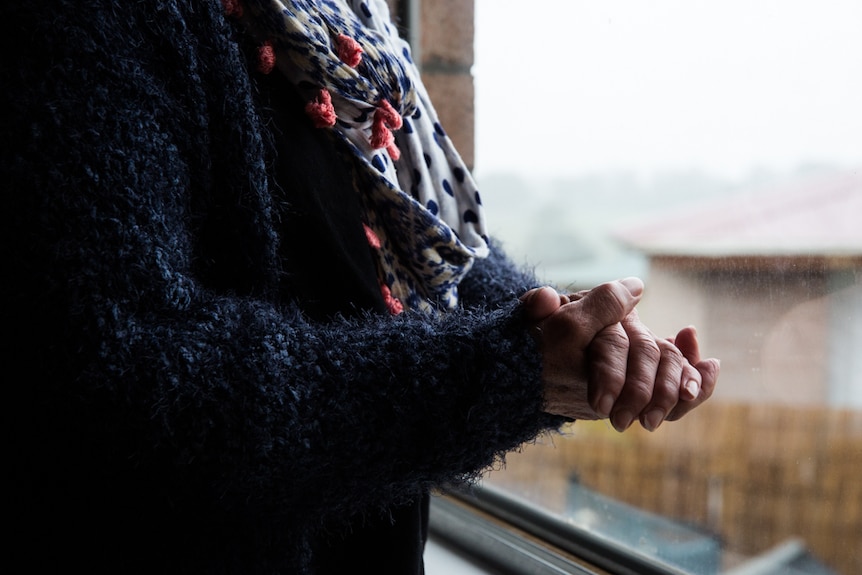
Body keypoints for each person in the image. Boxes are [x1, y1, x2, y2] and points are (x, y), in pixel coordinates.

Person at [1, 0, 719, 573]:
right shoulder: (90, 22)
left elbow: (419, 244)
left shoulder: (346, 24)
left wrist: (577, 330)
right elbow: (129, 377)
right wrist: (508, 369)